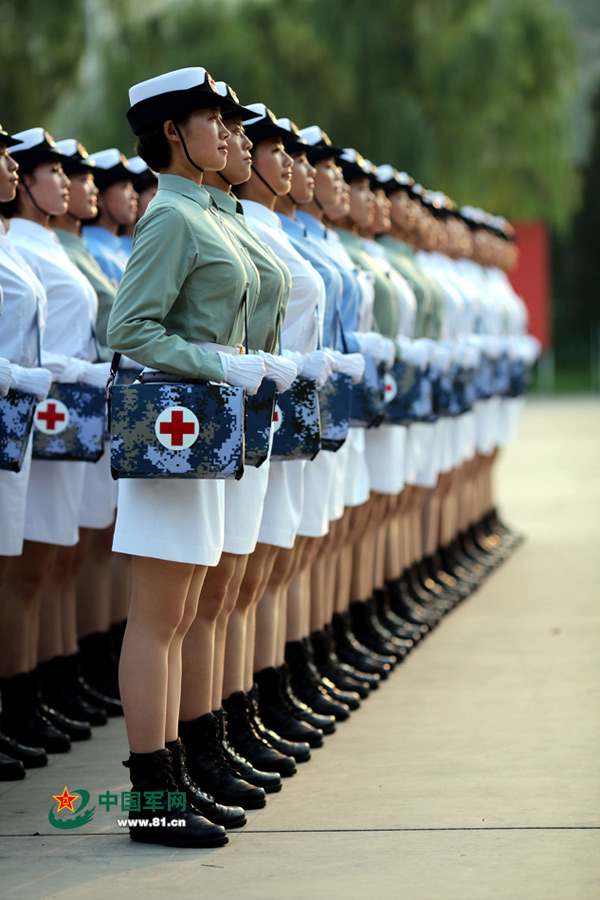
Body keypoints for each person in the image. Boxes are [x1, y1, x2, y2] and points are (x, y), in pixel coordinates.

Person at [106, 66, 269, 847]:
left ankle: (177, 779)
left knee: (178, 616)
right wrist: (215, 362)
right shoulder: (172, 214)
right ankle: (152, 800)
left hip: (203, 432)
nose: (228, 133)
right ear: (174, 132)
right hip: (171, 428)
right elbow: (129, 329)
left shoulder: (208, 210)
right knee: (160, 618)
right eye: (214, 120)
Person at [0, 127, 111, 759]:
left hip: (52, 418)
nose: (70, 183)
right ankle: (21, 701)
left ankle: (43, 688)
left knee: (48, 563)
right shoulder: (28, 246)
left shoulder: (36, 246)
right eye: (56, 172)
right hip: (34, 415)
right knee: (24, 569)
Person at [0, 124, 52, 779]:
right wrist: (12, 376)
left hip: (13, 428)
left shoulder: (9, 245)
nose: (9, 168)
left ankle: (11, 711)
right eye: (1, 158)